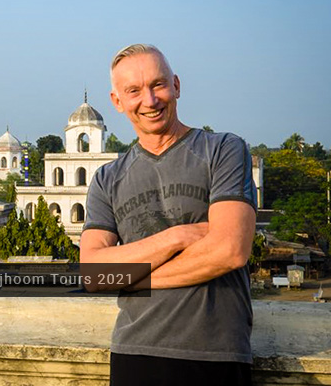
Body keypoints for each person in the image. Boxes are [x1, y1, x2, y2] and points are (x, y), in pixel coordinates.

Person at [80, 44, 257, 386]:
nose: (149, 100)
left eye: (158, 85)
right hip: (135, 352)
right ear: (117, 101)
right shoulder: (107, 178)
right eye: (133, 91)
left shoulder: (222, 150)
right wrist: (179, 236)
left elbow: (231, 250)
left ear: (176, 86)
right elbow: (94, 274)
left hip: (216, 353)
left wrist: (133, 278)